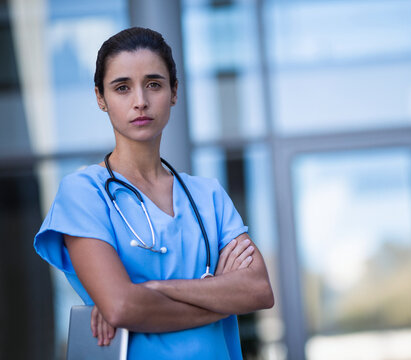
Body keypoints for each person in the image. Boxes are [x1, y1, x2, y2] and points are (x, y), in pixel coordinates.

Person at [34, 27, 274, 359]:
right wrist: (219, 295)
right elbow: (120, 306)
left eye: (154, 84)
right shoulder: (84, 193)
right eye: (122, 88)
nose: (140, 101)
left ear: (174, 92)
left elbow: (258, 291)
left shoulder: (208, 195)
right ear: (100, 98)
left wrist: (152, 290)